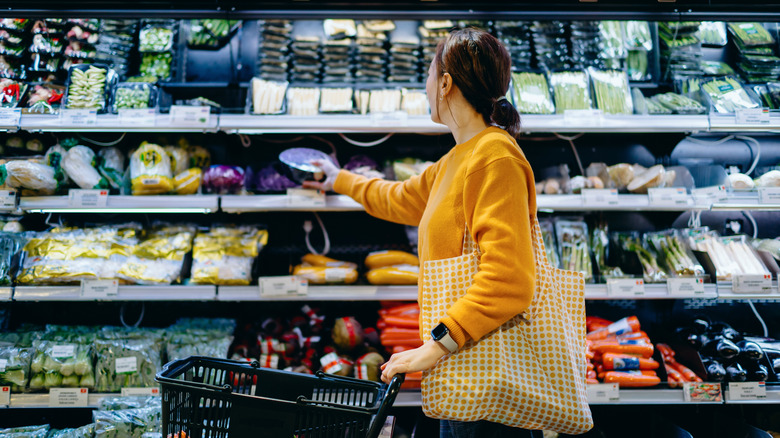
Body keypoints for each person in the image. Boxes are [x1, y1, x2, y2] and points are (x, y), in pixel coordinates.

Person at [306, 27, 540, 438]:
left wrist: (433, 347)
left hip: (489, 385)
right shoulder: (457, 159)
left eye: (429, 74)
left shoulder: (495, 156)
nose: (425, 86)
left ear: (446, 83)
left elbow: (510, 279)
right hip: (464, 372)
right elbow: (397, 198)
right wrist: (338, 179)